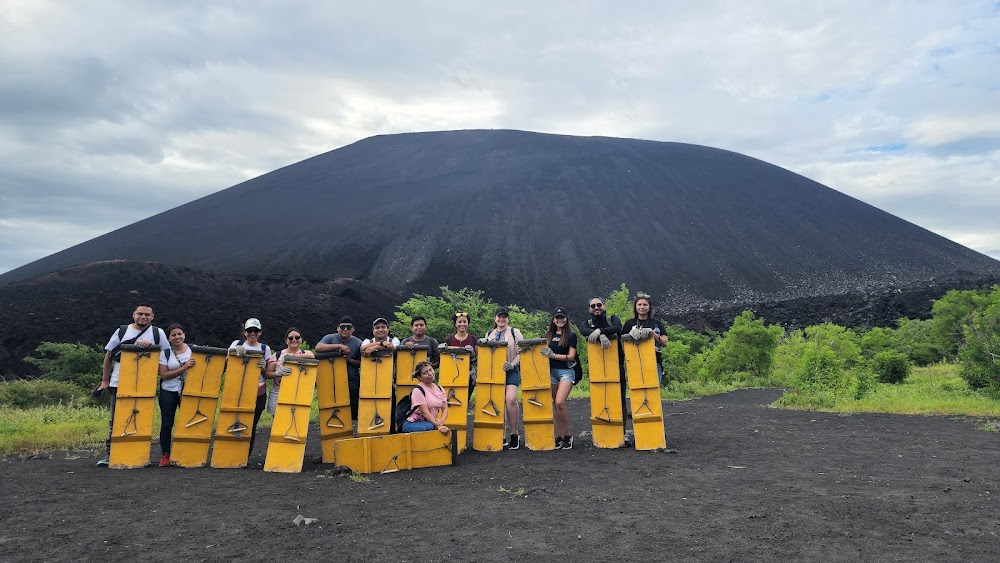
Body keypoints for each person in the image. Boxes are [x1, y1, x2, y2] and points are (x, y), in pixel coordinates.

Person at [97, 305, 170, 467]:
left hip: (146, 384)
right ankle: (111, 454)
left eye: (146, 314)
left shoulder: (158, 333)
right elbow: (108, 355)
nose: (143, 317)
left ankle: (139, 452)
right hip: (119, 381)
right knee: (116, 419)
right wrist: (105, 380)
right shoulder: (122, 331)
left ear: (152, 317)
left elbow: (165, 354)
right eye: (140, 314)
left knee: (142, 418)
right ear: (133, 315)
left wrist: (150, 348)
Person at [228, 318, 282, 457]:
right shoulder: (236, 344)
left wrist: (264, 365)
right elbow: (226, 364)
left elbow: (267, 372)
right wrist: (234, 353)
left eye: (256, 330)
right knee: (234, 421)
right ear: (245, 332)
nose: (253, 333)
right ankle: (231, 453)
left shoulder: (265, 349)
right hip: (238, 390)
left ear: (260, 332)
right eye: (250, 330)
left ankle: (245, 456)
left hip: (258, 391)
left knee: (251, 425)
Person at [482, 307, 523, 450]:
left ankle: (514, 434)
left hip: (512, 371)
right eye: (499, 317)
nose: (502, 319)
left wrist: (512, 364)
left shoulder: (514, 332)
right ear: (495, 318)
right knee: (497, 402)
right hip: (495, 373)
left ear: (508, 319)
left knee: (510, 399)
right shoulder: (489, 334)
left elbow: (521, 351)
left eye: (504, 317)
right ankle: (501, 435)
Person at [579, 297, 626, 419]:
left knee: (620, 399)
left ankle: (623, 431)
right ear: (589, 309)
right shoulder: (587, 323)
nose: (596, 308)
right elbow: (583, 330)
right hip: (598, 367)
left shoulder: (612, 319)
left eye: (598, 305)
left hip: (617, 365)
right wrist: (601, 335)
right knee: (601, 398)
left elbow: (617, 327)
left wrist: (599, 332)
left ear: (604, 306)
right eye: (593, 306)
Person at [156, 323, 194, 467]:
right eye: (173, 335)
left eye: (179, 334)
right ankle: (165, 454)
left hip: (189, 392)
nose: (177, 337)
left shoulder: (193, 350)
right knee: (167, 424)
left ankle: (186, 453)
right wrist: (184, 367)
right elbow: (164, 375)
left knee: (189, 423)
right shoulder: (165, 352)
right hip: (168, 391)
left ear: (184, 335)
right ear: (168, 338)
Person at [540, 308, 577, 450]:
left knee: (560, 402)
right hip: (551, 372)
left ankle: (568, 435)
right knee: (555, 405)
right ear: (553, 320)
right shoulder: (548, 335)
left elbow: (571, 356)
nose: (560, 320)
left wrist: (553, 355)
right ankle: (560, 436)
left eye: (562, 318)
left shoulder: (571, 336)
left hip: (566, 371)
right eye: (557, 318)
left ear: (566, 319)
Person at [314, 316, 363, 422]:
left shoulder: (358, 342)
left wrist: (349, 360)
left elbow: (362, 363)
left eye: (348, 327)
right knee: (332, 409)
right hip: (331, 381)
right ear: (338, 328)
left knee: (353, 412)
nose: (345, 329)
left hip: (352, 382)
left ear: (353, 329)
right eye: (343, 327)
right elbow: (318, 348)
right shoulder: (330, 338)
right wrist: (339, 346)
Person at [266, 327, 315, 415]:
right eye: (290, 338)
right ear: (286, 340)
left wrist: (293, 357)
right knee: (278, 420)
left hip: (298, 392)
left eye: (297, 337)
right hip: (278, 392)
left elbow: (312, 356)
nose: (294, 340)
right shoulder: (277, 355)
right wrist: (277, 373)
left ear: (301, 339)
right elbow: (267, 374)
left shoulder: (305, 354)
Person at [622, 293, 668, 385]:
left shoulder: (657, 323)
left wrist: (652, 333)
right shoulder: (629, 323)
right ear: (635, 307)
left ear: (649, 307)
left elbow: (664, 342)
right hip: (635, 362)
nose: (642, 307)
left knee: (653, 391)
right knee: (637, 391)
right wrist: (630, 334)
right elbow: (621, 340)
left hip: (654, 362)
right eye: (639, 304)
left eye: (645, 304)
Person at [400, 361, 450, 434]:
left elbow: (445, 408)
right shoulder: (418, 390)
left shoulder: (440, 389)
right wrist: (438, 425)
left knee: (433, 426)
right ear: (420, 377)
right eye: (425, 373)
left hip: (430, 422)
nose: (430, 374)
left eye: (430, 370)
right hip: (412, 424)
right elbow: (424, 412)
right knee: (430, 426)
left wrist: (441, 421)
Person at [444, 311, 477, 393]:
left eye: (464, 322)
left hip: (468, 374)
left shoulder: (473, 339)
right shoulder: (449, 339)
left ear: (468, 324)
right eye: (459, 322)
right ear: (455, 324)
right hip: (452, 373)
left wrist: (472, 354)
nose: (462, 324)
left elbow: (478, 358)